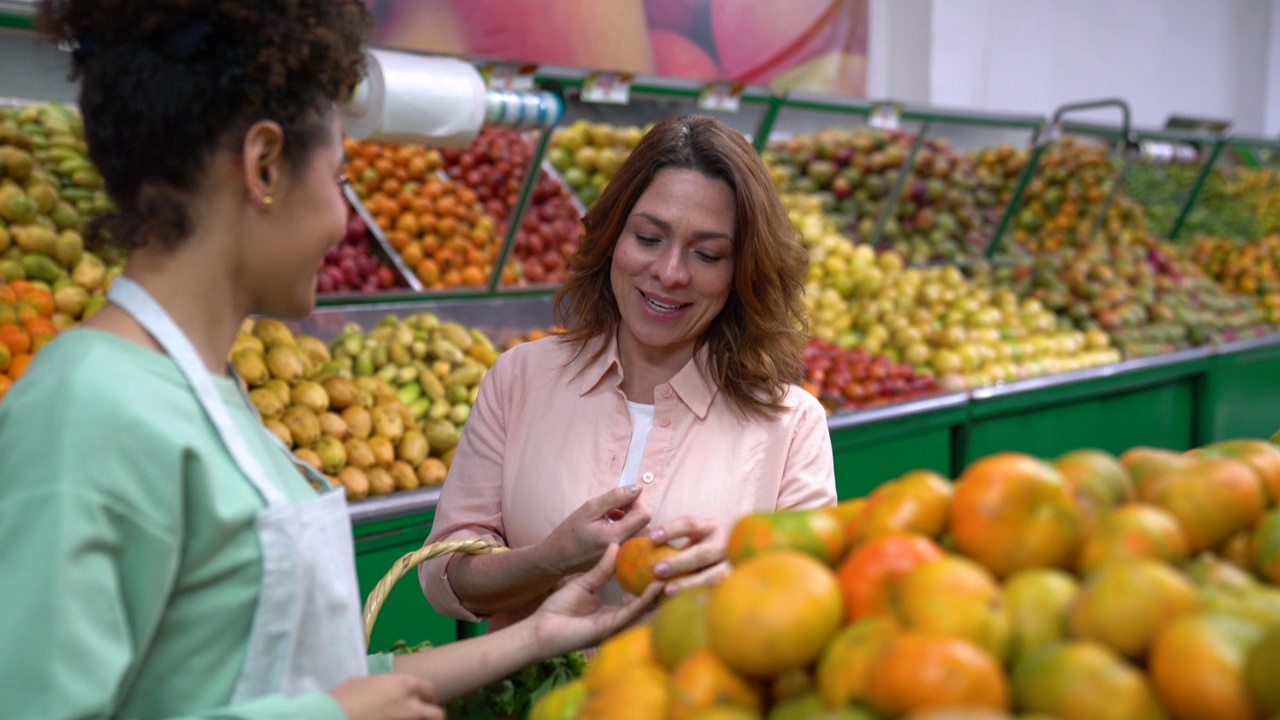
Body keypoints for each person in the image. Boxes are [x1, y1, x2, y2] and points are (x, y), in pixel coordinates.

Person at [0, 2, 660, 719]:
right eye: (340, 179)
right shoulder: (86, 409)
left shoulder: (212, 393)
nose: (343, 219)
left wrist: (537, 635)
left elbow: (297, 681)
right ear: (264, 167)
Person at [420, 114, 838, 632]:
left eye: (707, 254)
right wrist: (548, 558)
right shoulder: (519, 379)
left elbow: (813, 601)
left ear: (742, 272)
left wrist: (739, 581)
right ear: (613, 236)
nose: (669, 273)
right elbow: (443, 575)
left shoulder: (791, 423)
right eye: (648, 238)